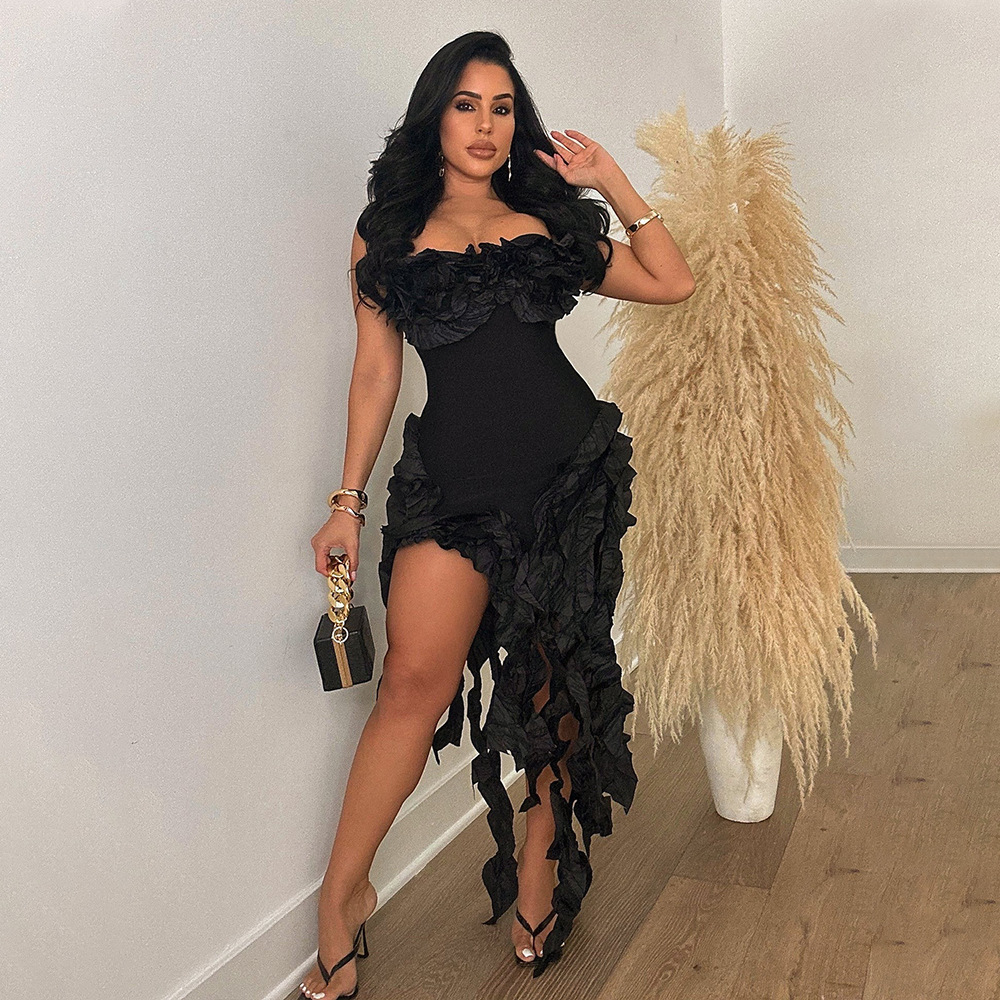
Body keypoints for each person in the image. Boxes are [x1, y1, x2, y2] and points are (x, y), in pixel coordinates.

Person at [301, 30, 695, 1000]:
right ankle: (340, 899)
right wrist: (346, 504)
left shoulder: (544, 222)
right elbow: (376, 373)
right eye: (466, 105)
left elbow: (670, 280)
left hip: (566, 479)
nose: (485, 125)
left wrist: (610, 181)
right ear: (434, 116)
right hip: (454, 488)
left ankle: (536, 872)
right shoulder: (385, 233)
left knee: (554, 687)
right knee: (411, 685)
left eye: (503, 107)